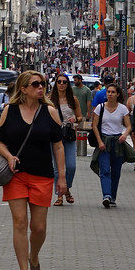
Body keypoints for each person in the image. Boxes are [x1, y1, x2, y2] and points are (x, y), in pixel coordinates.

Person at [0, 71, 66, 270]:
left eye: (42, 84)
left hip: (42, 175)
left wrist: (62, 178)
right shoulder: (9, 111)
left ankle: (34, 257)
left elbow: (58, 145)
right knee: (19, 222)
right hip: (16, 175)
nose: (40, 88)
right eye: (35, 84)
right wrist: (9, 156)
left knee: (39, 227)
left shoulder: (50, 112)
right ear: (23, 89)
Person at [93, 82, 131, 208]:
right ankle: (107, 196)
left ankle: (113, 196)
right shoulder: (100, 108)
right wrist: (99, 141)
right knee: (104, 170)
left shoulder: (123, 108)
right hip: (104, 141)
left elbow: (129, 126)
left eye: (113, 92)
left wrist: (124, 134)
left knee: (116, 171)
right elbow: (94, 126)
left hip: (117, 142)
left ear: (118, 94)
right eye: (108, 92)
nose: (110, 94)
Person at [49, 74, 81, 206]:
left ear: (68, 84)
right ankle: (60, 195)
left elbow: (80, 116)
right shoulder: (49, 100)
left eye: (64, 82)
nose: (61, 84)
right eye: (59, 82)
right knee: (57, 169)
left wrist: (75, 119)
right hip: (54, 136)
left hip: (68, 135)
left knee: (71, 166)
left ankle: (66, 188)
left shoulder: (73, 99)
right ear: (55, 83)